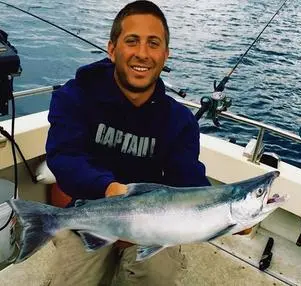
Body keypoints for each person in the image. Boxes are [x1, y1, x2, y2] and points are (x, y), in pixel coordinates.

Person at [46, 1, 210, 285]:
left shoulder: (180, 121)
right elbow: (64, 157)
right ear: (112, 49)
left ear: (165, 54)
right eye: (132, 41)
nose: (142, 54)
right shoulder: (76, 97)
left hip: (153, 226)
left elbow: (188, 183)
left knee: (156, 274)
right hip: (90, 214)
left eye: (153, 43)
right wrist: (107, 188)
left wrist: (230, 215)